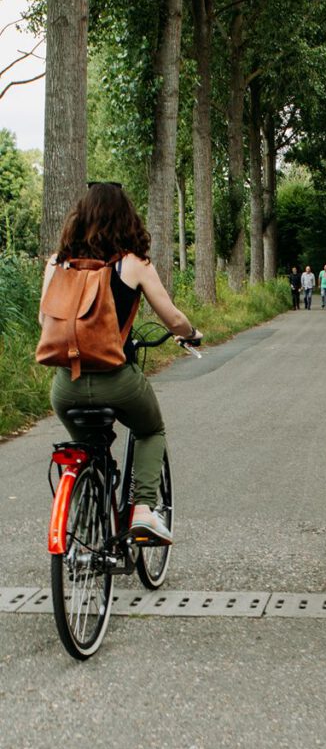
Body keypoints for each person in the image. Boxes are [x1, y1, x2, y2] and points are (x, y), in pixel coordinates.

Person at [40, 182, 200, 545]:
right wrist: (190, 332)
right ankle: (143, 510)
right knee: (150, 430)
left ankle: (83, 519)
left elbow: (43, 321)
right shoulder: (133, 263)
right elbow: (173, 319)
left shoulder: (57, 263)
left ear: (79, 217)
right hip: (118, 379)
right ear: (126, 218)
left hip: (66, 386)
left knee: (84, 453)